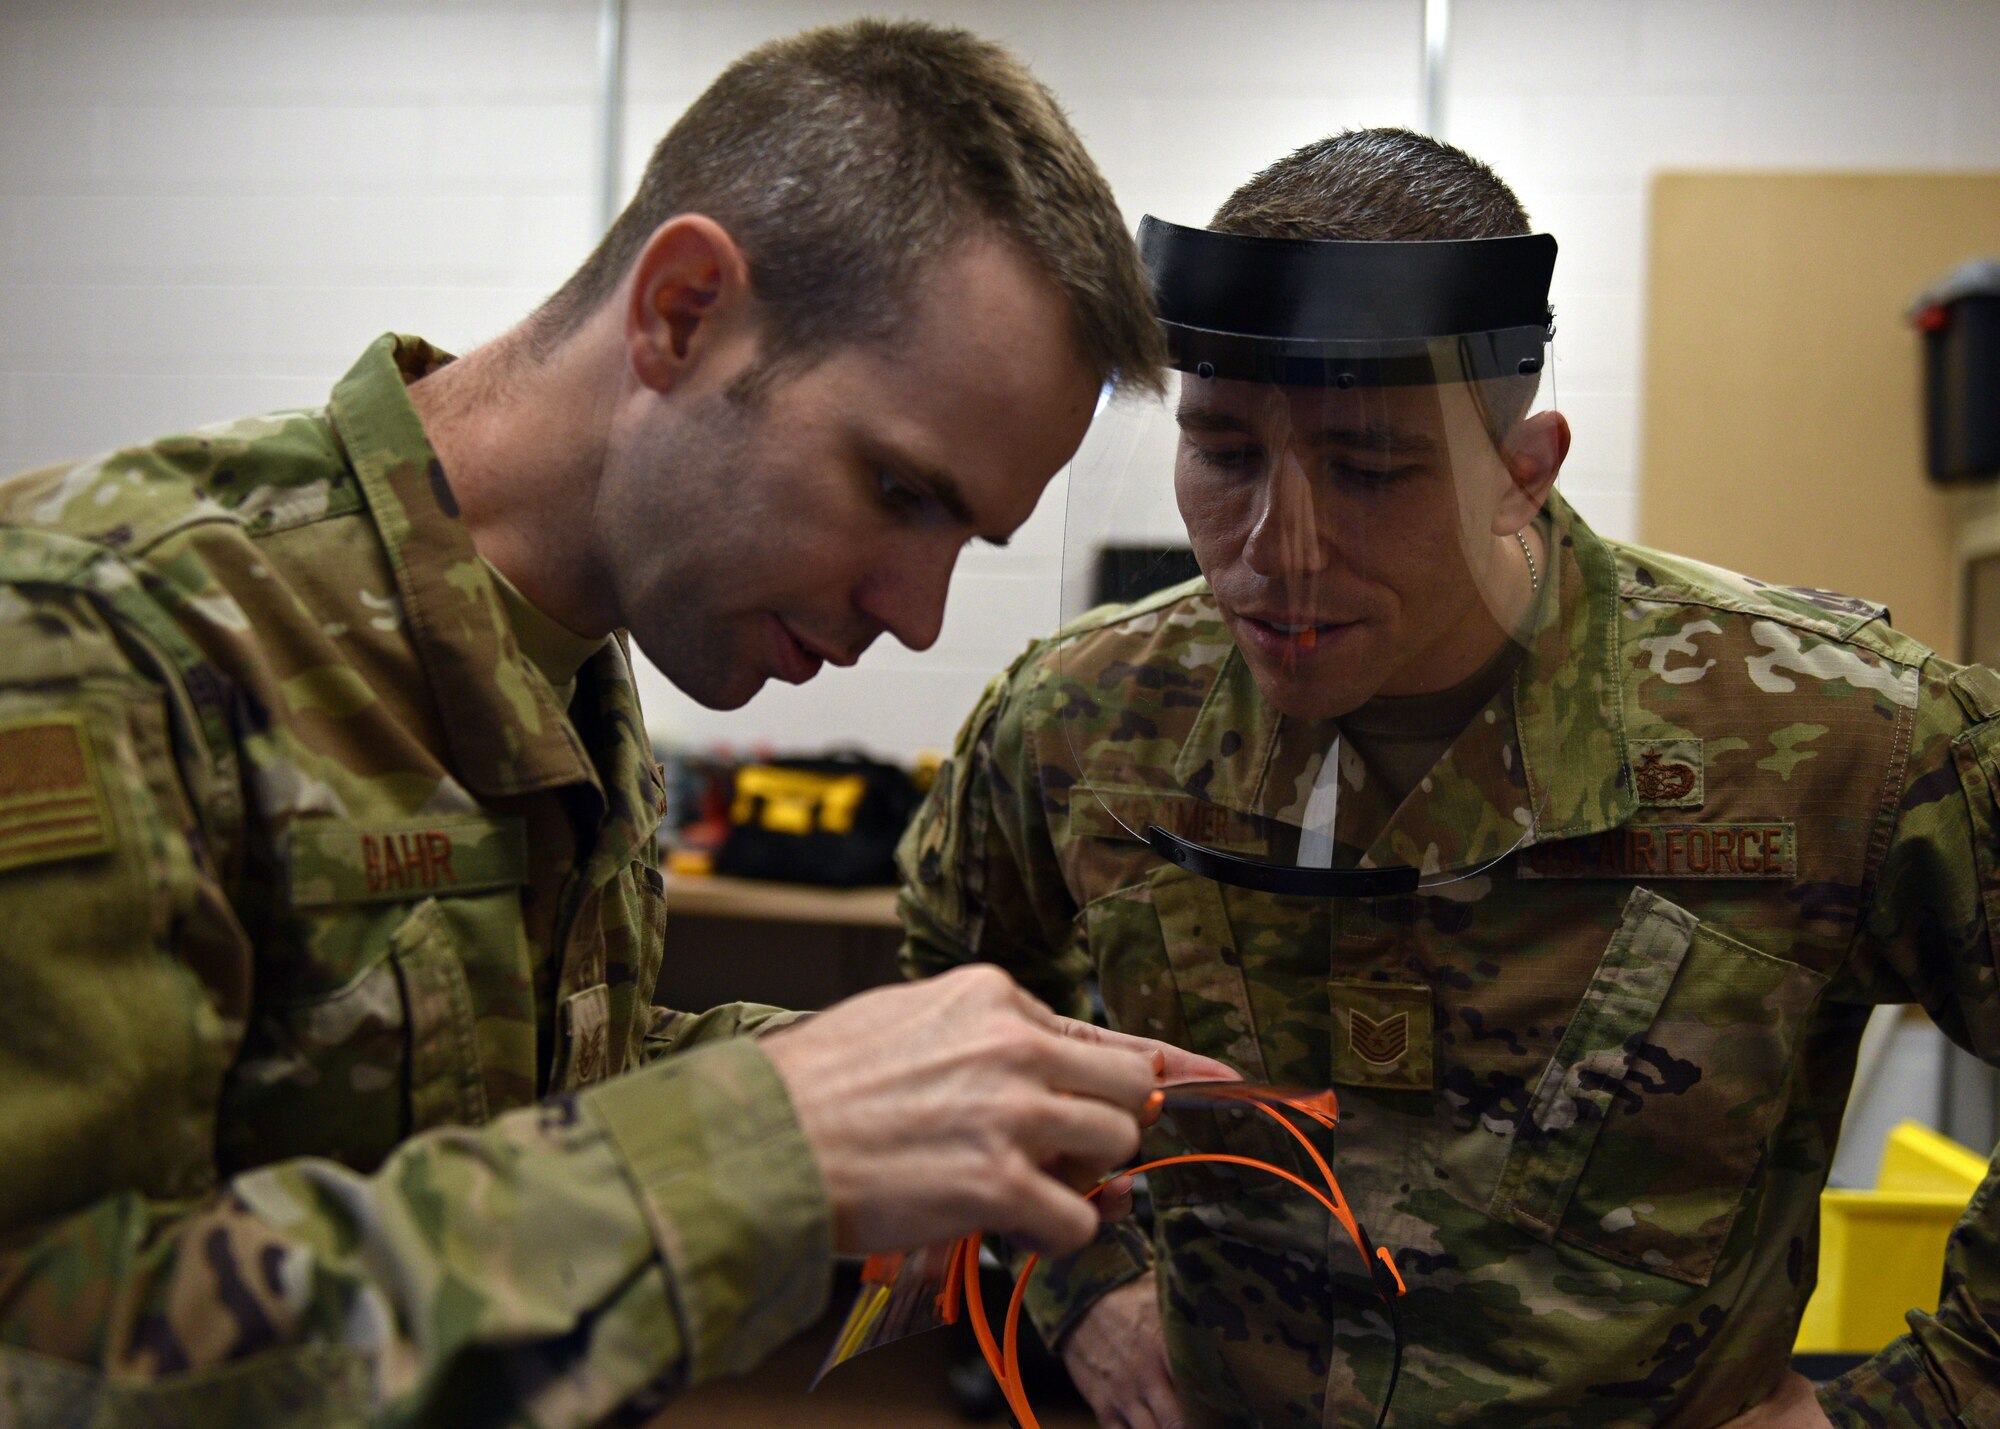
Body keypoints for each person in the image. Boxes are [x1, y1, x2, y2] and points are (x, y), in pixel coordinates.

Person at [0, 20, 1238, 1427]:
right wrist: (765, 1147)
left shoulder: (577, 648)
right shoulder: (97, 638)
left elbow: (492, 1091)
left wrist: (900, 1084)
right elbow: (47, 1349)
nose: (920, 615)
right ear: (682, 312)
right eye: (902, 491)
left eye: (972, 535)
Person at [898, 126, 2000, 1429]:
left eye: (1369, 470)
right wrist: (1084, 1286)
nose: (1278, 547)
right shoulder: (1085, 719)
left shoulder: (1834, 738)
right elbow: (956, 981)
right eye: (1227, 454)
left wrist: (1907, 1406)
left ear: (1520, 474)